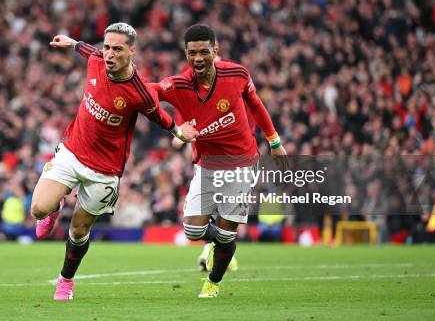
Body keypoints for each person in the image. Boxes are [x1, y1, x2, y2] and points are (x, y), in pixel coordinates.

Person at [30, 22, 198, 300]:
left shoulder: (139, 91)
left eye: (117, 49)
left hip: (104, 170)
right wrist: (71, 42)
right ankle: (55, 206)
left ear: (132, 51)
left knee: (79, 229)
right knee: (37, 209)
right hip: (72, 152)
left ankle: (65, 280)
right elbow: (87, 50)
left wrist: (179, 132)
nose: (109, 54)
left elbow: (158, 115)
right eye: (106, 47)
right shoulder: (97, 60)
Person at [150, 24, 288, 297]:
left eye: (204, 52)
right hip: (208, 165)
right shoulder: (178, 85)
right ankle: (225, 243)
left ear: (216, 50)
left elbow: (256, 105)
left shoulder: (237, 74)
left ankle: (212, 282)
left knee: (225, 233)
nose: (198, 58)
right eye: (192, 53)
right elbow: (147, 91)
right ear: (186, 54)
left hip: (242, 163)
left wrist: (275, 142)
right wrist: (175, 129)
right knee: (192, 229)